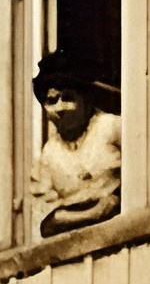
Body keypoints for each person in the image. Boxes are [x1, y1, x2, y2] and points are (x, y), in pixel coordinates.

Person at [27, 52, 121, 235]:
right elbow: (44, 220)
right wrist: (96, 212)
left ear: (86, 99)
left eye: (68, 98)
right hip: (77, 235)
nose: (60, 108)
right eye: (51, 101)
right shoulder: (49, 154)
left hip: (117, 229)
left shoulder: (110, 127)